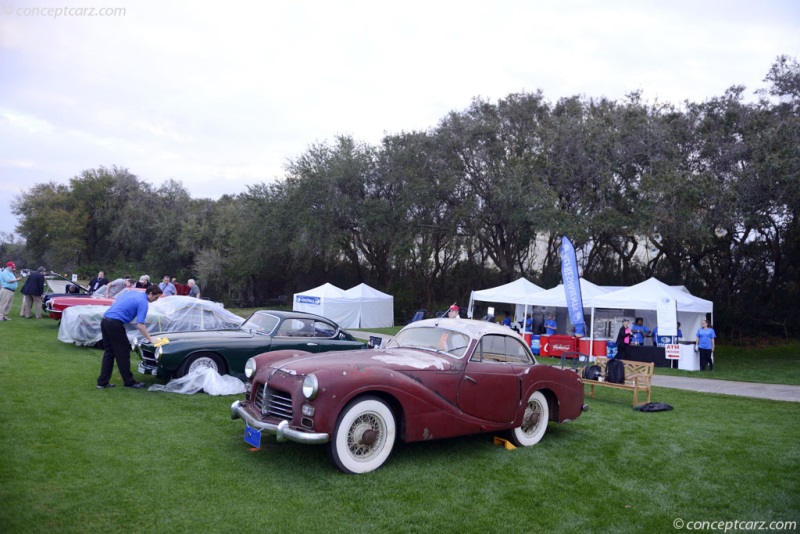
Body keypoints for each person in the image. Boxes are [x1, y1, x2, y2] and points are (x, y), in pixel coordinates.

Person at [96, 285, 163, 389]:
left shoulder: (132, 292)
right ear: (150, 293)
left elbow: (119, 303)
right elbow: (140, 325)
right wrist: (151, 339)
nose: (155, 300)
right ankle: (129, 382)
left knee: (109, 353)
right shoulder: (143, 302)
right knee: (123, 353)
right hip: (115, 324)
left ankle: (102, 382)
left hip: (105, 321)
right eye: (156, 297)